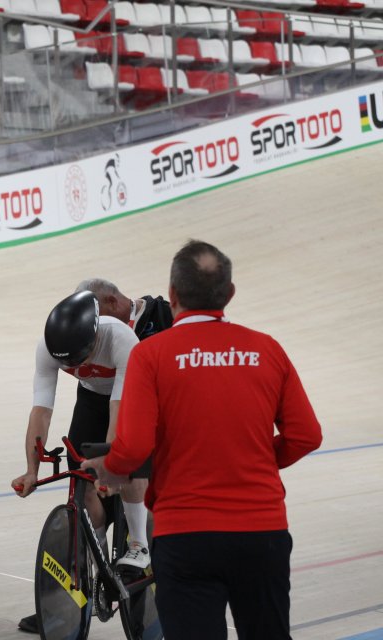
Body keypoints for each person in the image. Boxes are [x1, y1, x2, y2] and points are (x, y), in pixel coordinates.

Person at [83, 240, 322, 640]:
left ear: (172, 295)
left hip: (186, 535)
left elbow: (134, 448)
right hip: (261, 532)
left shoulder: (151, 354)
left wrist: (106, 468)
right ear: (229, 294)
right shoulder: (267, 350)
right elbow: (307, 436)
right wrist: (253, 459)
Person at [11, 280, 164, 634]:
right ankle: (84, 581)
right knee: (84, 483)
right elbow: (41, 411)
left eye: (82, 358)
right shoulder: (47, 348)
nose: (78, 365)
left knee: (127, 461)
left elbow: (119, 420)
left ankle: (139, 545)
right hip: (92, 400)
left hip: (128, 397)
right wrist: (32, 469)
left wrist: (113, 467)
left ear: (95, 336)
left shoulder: (121, 340)